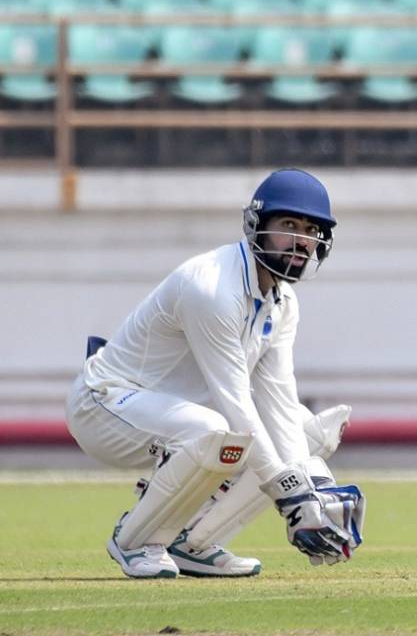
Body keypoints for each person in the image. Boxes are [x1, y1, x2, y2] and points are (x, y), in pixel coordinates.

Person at [66, 168, 365, 579]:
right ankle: (135, 540)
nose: (301, 240)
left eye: (312, 230)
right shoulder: (211, 288)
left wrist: (305, 492)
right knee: (217, 431)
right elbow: (236, 403)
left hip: (175, 409)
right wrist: (287, 493)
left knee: (300, 426)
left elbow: (276, 401)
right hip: (103, 405)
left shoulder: (283, 302)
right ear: (255, 226)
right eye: (289, 225)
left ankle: (192, 543)